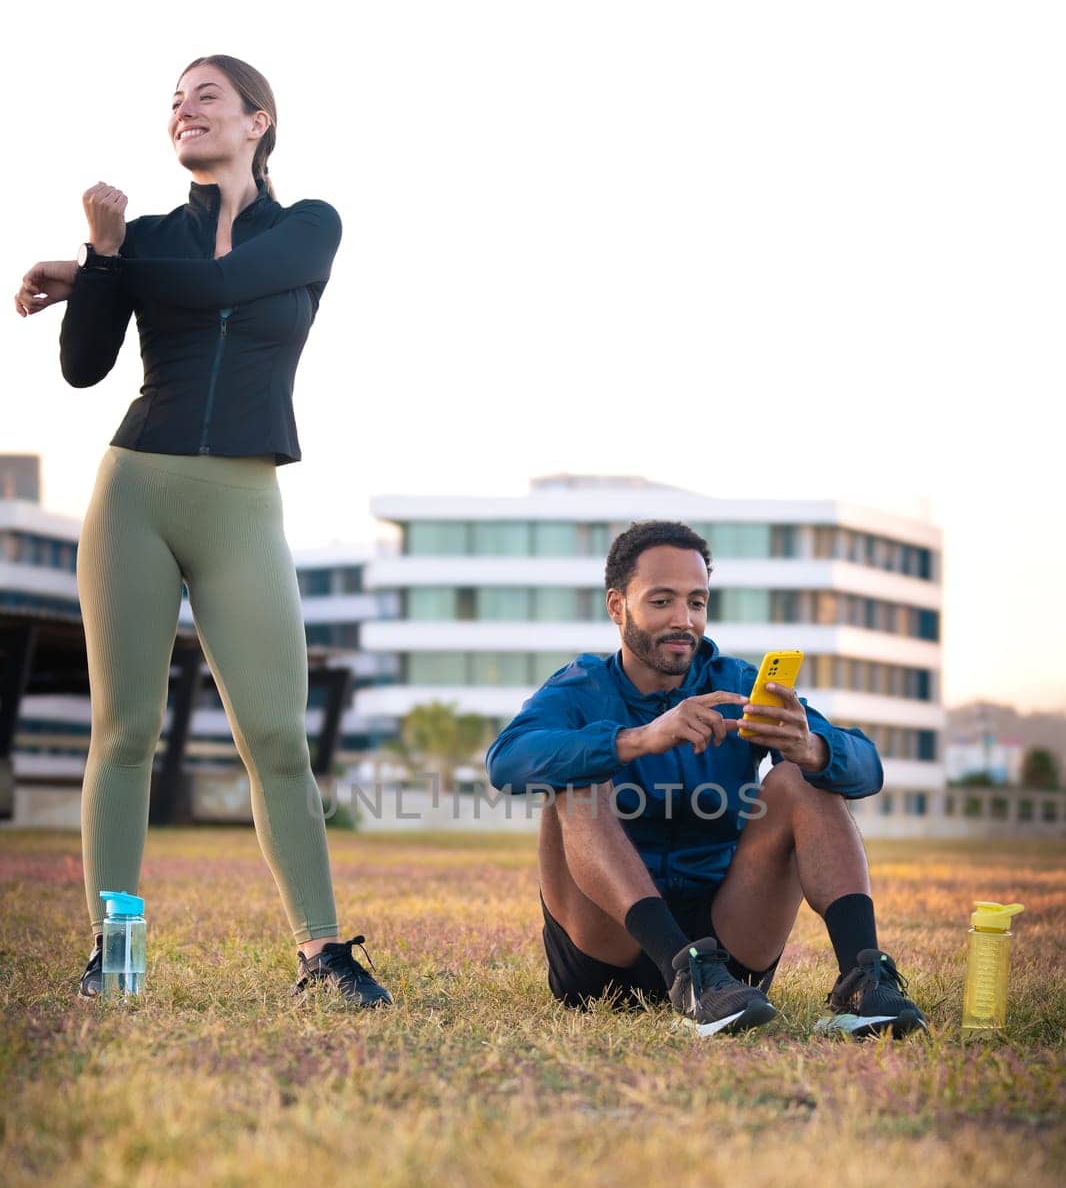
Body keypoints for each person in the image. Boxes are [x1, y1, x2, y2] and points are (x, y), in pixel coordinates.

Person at [14, 54, 391, 1008]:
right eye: (173, 101)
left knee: (274, 735)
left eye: (205, 96)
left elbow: (232, 283)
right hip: (135, 489)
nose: (183, 110)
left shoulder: (309, 228)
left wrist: (109, 270)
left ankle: (323, 953)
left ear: (258, 122)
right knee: (125, 732)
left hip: (242, 504)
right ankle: (119, 952)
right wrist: (102, 260)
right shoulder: (137, 239)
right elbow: (83, 366)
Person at [485, 520, 928, 1038]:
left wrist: (811, 748)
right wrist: (637, 738)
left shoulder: (738, 685)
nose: (684, 620)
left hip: (728, 950)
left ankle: (865, 983)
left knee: (801, 777)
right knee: (578, 777)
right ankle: (684, 970)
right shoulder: (581, 686)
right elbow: (506, 762)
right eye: (661, 601)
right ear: (616, 606)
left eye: (697, 602)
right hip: (607, 947)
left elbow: (867, 767)